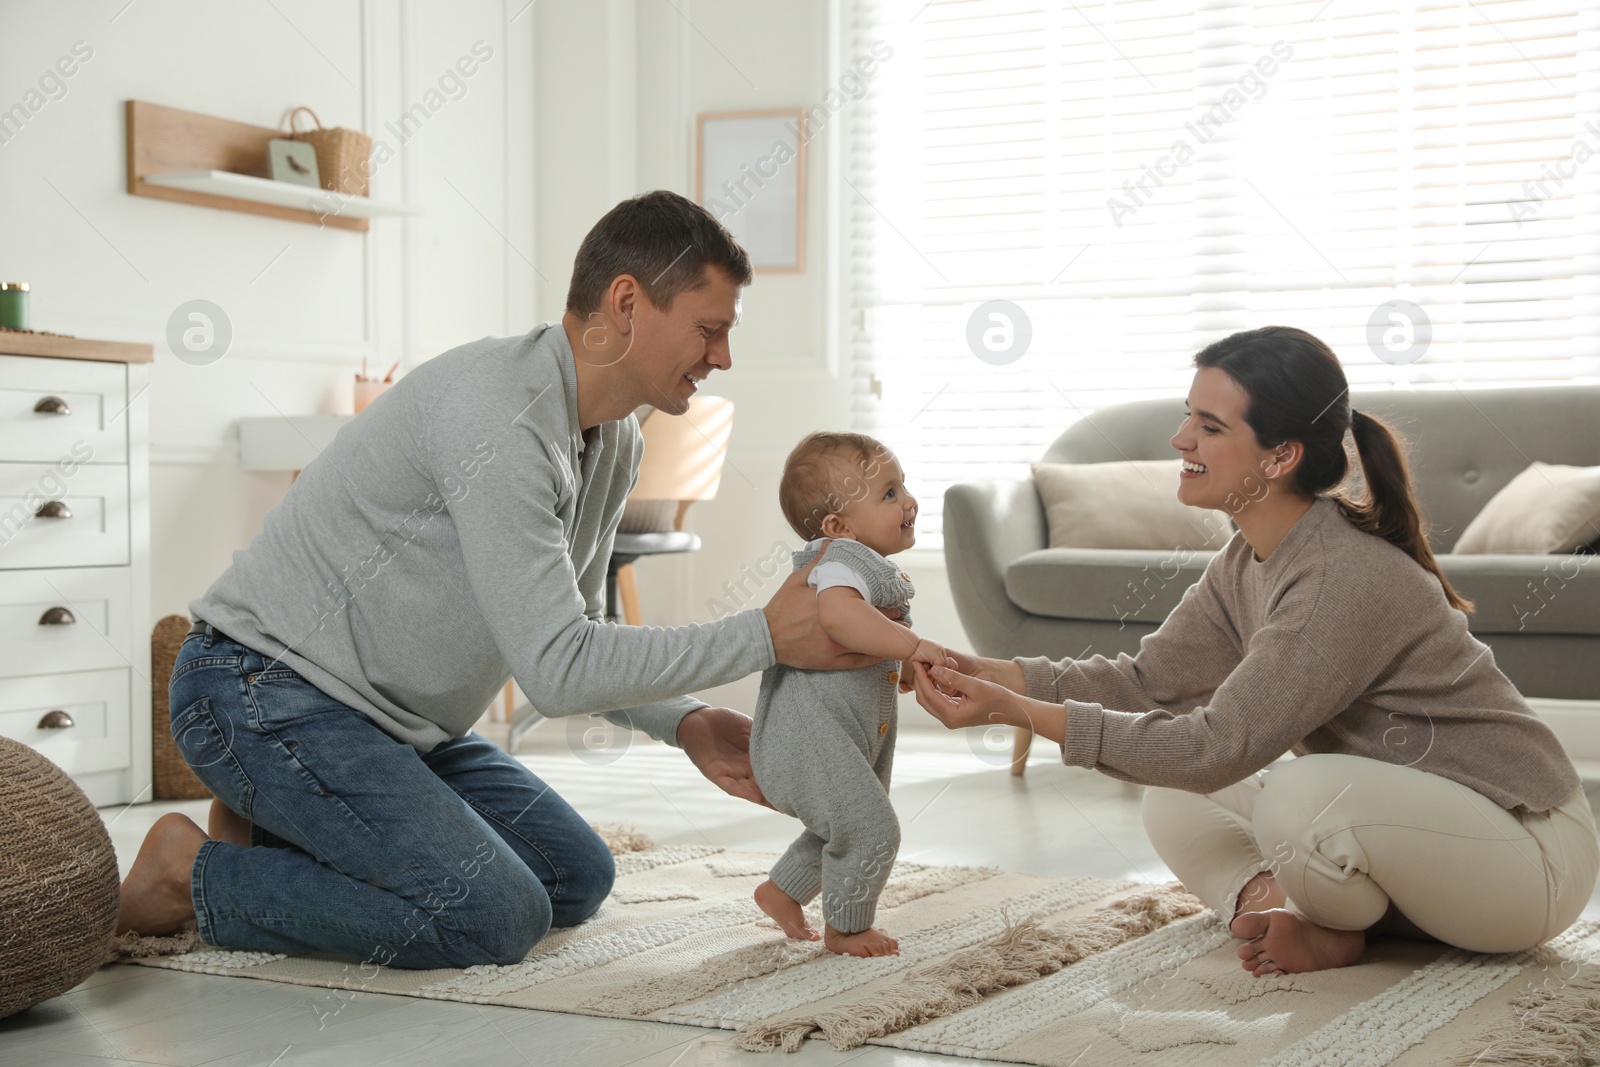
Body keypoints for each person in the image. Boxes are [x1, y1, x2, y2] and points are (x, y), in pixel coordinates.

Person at [115, 191, 889, 969]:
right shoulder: (500, 413)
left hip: (393, 728)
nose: (722, 357)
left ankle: (271, 824)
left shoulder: (613, 438)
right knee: (494, 915)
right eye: (709, 328)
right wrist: (760, 635)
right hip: (258, 694)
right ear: (627, 303)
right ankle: (191, 873)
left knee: (576, 876)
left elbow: (580, 626)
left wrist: (682, 721)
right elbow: (554, 669)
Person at [910, 325, 1599, 977]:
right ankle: (1286, 908)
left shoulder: (1339, 575)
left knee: (1296, 796)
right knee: (1172, 800)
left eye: (1210, 427)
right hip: (1423, 837)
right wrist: (987, 672)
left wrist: (1016, 712)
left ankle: (1338, 912)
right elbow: (1149, 683)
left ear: (1280, 455)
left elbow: (1218, 746)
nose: (1180, 438)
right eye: (1189, 417)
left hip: (1530, 857)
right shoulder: (1250, 557)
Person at [750, 432, 952, 957]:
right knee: (871, 828)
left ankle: (782, 891)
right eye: (889, 494)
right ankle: (847, 928)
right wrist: (911, 646)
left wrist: (901, 666)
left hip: (846, 731)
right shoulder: (838, 560)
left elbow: (867, 633)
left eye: (903, 486)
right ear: (838, 527)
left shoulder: (865, 564)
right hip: (809, 734)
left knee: (843, 821)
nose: (908, 501)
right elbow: (840, 618)